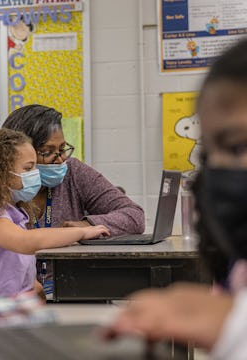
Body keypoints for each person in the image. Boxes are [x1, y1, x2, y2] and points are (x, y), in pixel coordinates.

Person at [102, 38, 247, 359]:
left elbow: (130, 214)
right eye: (210, 154)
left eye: (238, 147)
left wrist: (230, 323)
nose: (221, 174)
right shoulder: (238, 271)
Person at [0, 104, 145, 301]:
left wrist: (87, 224)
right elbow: (23, 242)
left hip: (66, 293)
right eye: (46, 152)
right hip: (1, 308)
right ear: (4, 165)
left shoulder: (31, 202)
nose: (59, 160)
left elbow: (134, 215)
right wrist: (78, 233)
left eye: (62, 149)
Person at [0, 128, 109, 299]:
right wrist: (81, 231)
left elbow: (15, 265)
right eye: (28, 168)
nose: (36, 174)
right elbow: (25, 242)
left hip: (19, 310)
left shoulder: (17, 214)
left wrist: (34, 287)